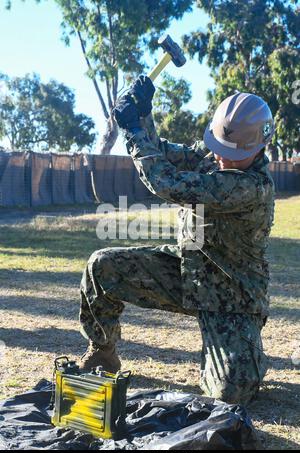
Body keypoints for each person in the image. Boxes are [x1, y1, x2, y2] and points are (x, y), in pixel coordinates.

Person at [79, 76, 275, 404]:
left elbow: (166, 181)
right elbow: (166, 155)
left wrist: (132, 131)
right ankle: (103, 351)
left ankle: (245, 351)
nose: (221, 157)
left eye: (231, 153)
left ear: (258, 148)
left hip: (231, 297)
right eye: (219, 148)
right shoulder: (219, 157)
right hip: (189, 272)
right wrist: (144, 114)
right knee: (103, 266)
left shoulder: (251, 187)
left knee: (230, 393)